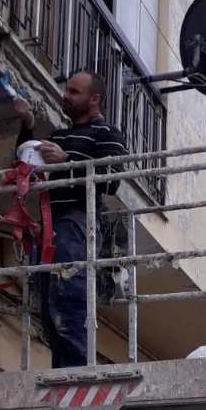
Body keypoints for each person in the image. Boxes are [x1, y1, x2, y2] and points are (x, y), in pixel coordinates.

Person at [13, 71, 127, 368]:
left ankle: (76, 372)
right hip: (50, 227)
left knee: (70, 299)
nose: (66, 96)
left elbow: (111, 181)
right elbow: (25, 165)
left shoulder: (107, 133)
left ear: (94, 99)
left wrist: (66, 161)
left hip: (78, 224)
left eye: (74, 92)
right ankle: (62, 373)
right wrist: (27, 126)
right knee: (49, 307)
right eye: (67, 90)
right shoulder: (59, 137)